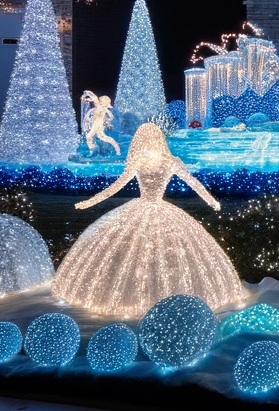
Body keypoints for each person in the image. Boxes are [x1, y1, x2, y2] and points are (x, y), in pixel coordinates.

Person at [50, 123, 244, 313]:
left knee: (160, 252)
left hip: (155, 208)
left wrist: (211, 201)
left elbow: (193, 183)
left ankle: (155, 296)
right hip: (146, 208)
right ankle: (137, 297)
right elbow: (117, 186)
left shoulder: (165, 161)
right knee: (135, 251)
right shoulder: (151, 161)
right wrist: (90, 202)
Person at [80, 91, 121, 156]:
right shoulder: (104, 109)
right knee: (103, 137)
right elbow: (110, 117)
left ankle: (93, 148)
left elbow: (94, 97)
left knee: (89, 136)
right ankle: (117, 150)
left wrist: (85, 93)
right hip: (99, 125)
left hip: (96, 125)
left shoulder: (99, 107)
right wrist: (107, 122)